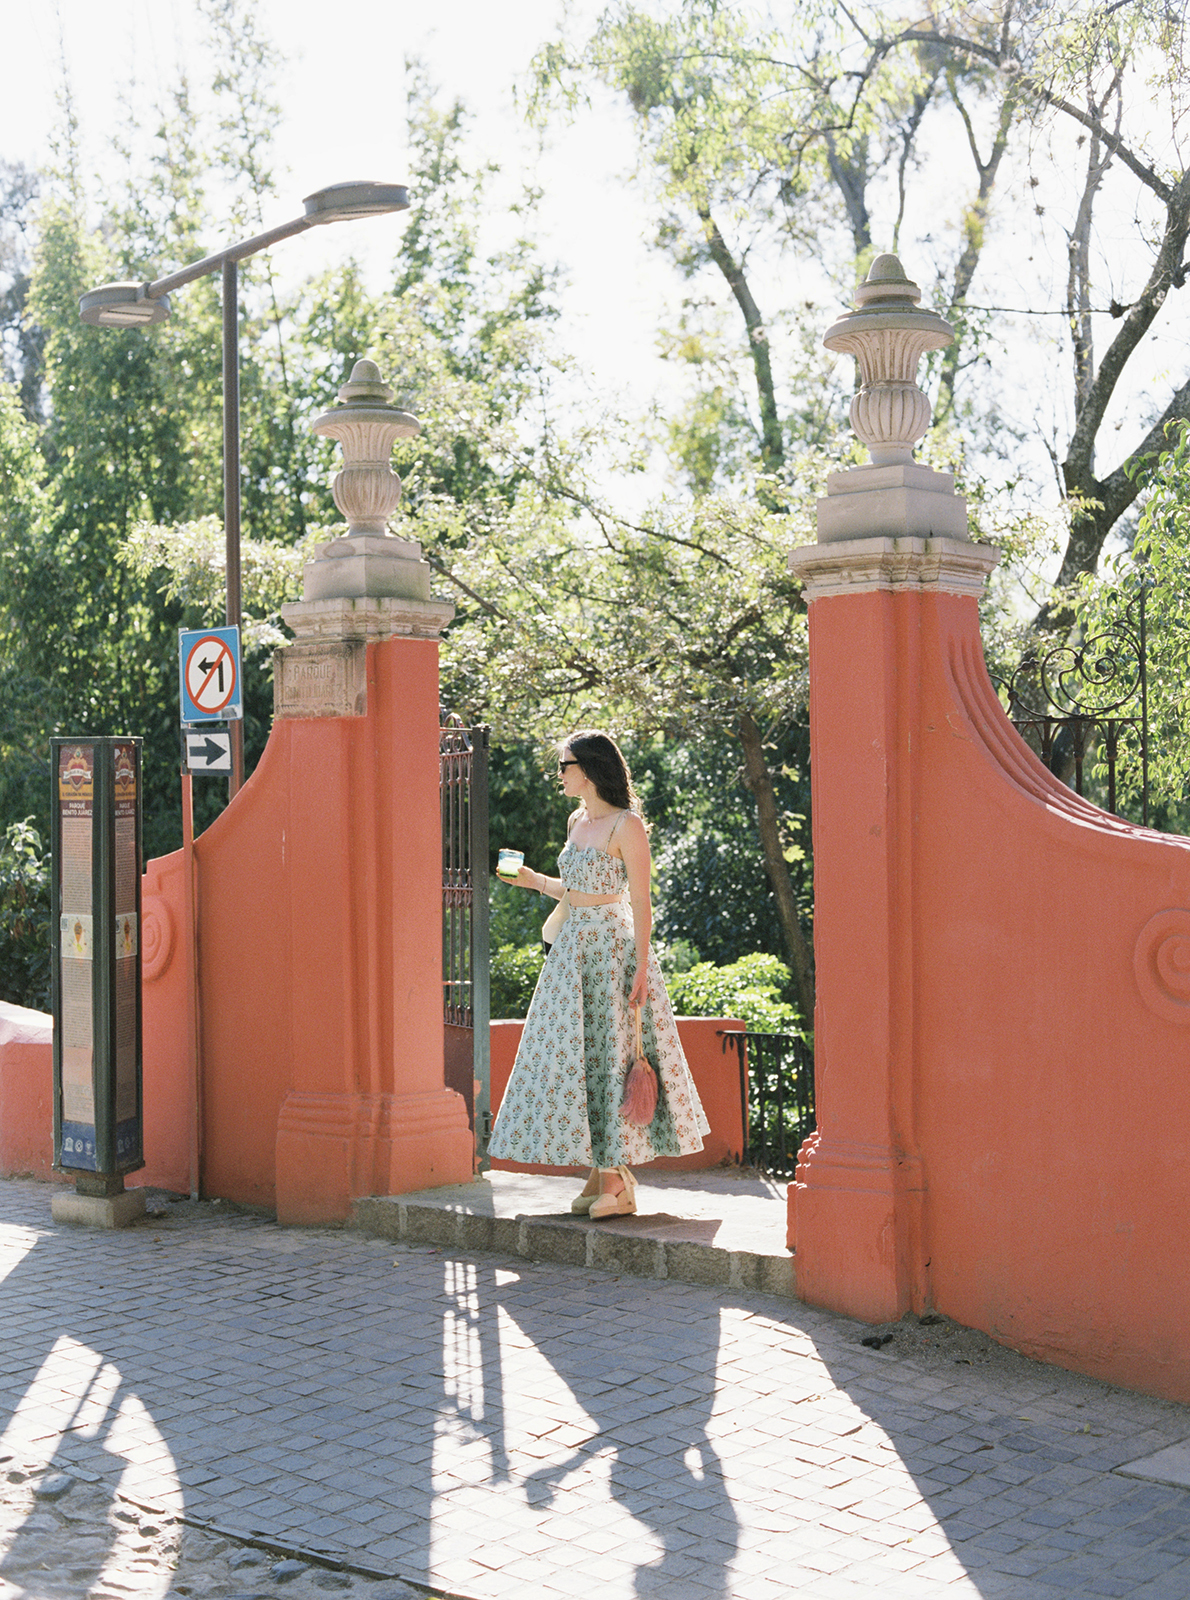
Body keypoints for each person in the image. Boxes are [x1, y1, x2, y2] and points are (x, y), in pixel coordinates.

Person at [487, 730, 710, 1218]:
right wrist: (531, 881)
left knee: (609, 1053)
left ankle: (615, 1178)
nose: (559, 775)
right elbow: (574, 892)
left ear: (587, 769)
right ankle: (602, 1173)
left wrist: (643, 967)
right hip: (572, 951)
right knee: (575, 1056)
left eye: (564, 765)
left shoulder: (626, 825)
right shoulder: (576, 821)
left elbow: (642, 902)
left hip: (612, 950)